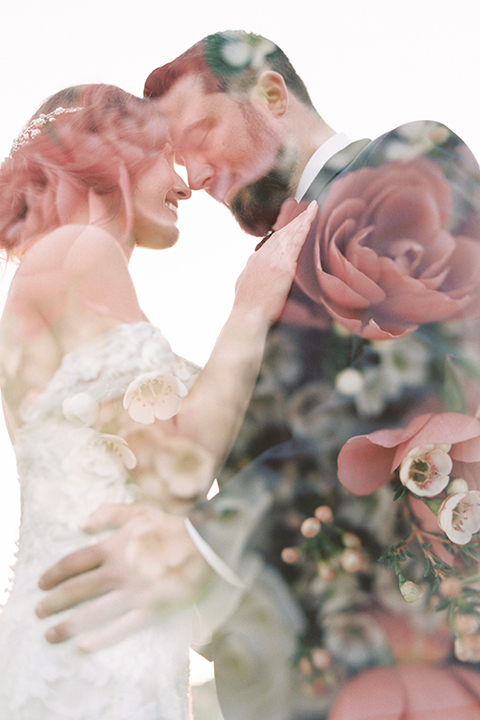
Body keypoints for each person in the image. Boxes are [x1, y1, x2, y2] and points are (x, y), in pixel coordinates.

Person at [36, 33, 480, 719]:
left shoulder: (412, 157)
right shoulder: (261, 284)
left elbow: (404, 380)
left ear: (272, 94)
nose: (194, 174)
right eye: (177, 160)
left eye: (201, 131)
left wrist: (205, 543)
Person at [0, 81, 317, 719]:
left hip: (107, 625)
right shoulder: (76, 252)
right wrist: (253, 300)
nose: (183, 185)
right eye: (163, 158)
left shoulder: (61, 268)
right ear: (113, 156)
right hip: (93, 641)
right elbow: (181, 464)